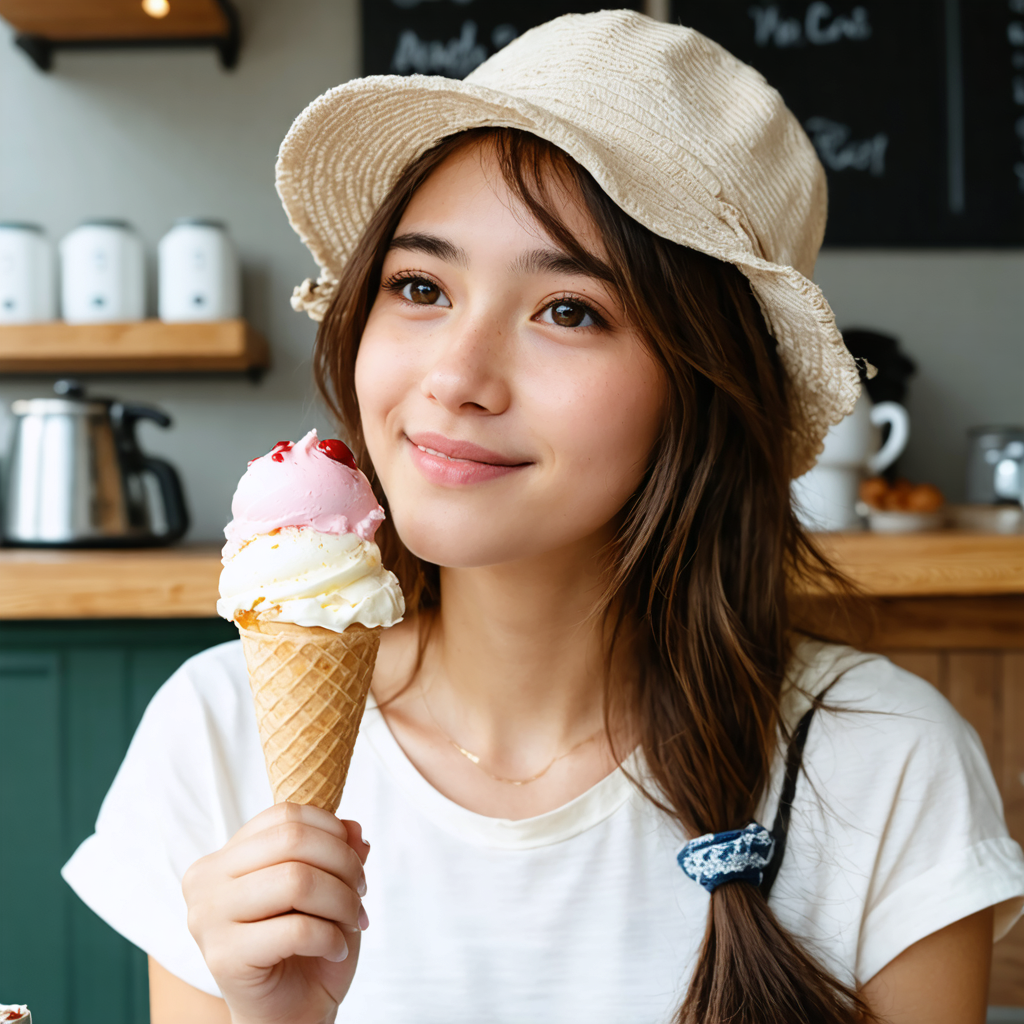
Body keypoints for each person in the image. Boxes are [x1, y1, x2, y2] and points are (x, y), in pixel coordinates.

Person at [63, 11, 1024, 1024]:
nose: (456, 377)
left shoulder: (883, 764)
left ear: (704, 386)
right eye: (419, 285)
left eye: (568, 309)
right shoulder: (217, 735)